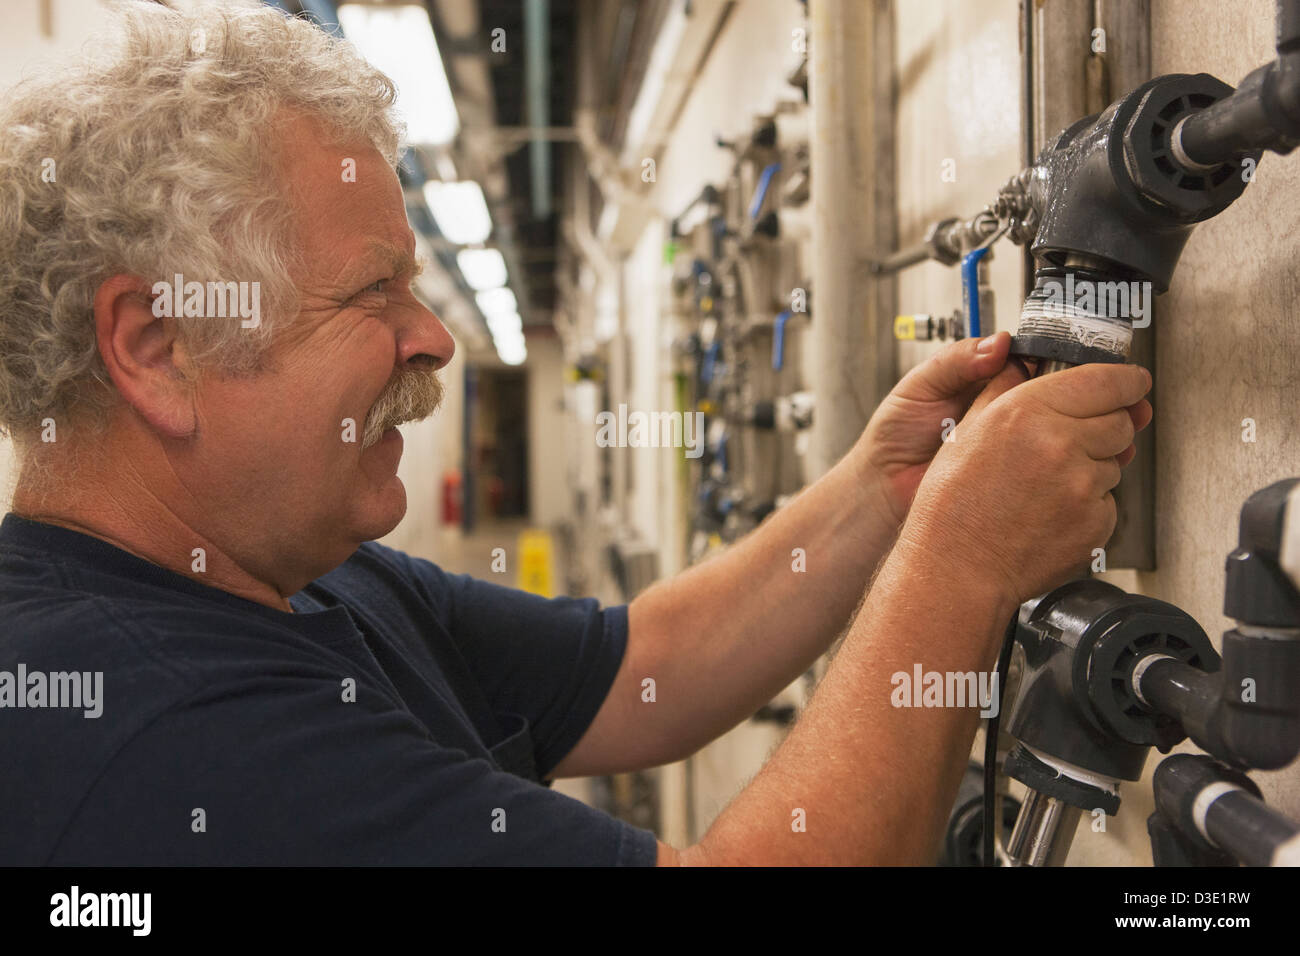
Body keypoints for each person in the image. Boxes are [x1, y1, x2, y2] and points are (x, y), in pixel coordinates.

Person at [0, 2, 1151, 865]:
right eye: (372, 294)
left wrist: (890, 492)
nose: (436, 339)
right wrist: (964, 559)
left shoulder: (297, 574)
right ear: (159, 349)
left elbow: (643, 665)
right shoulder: (149, 731)